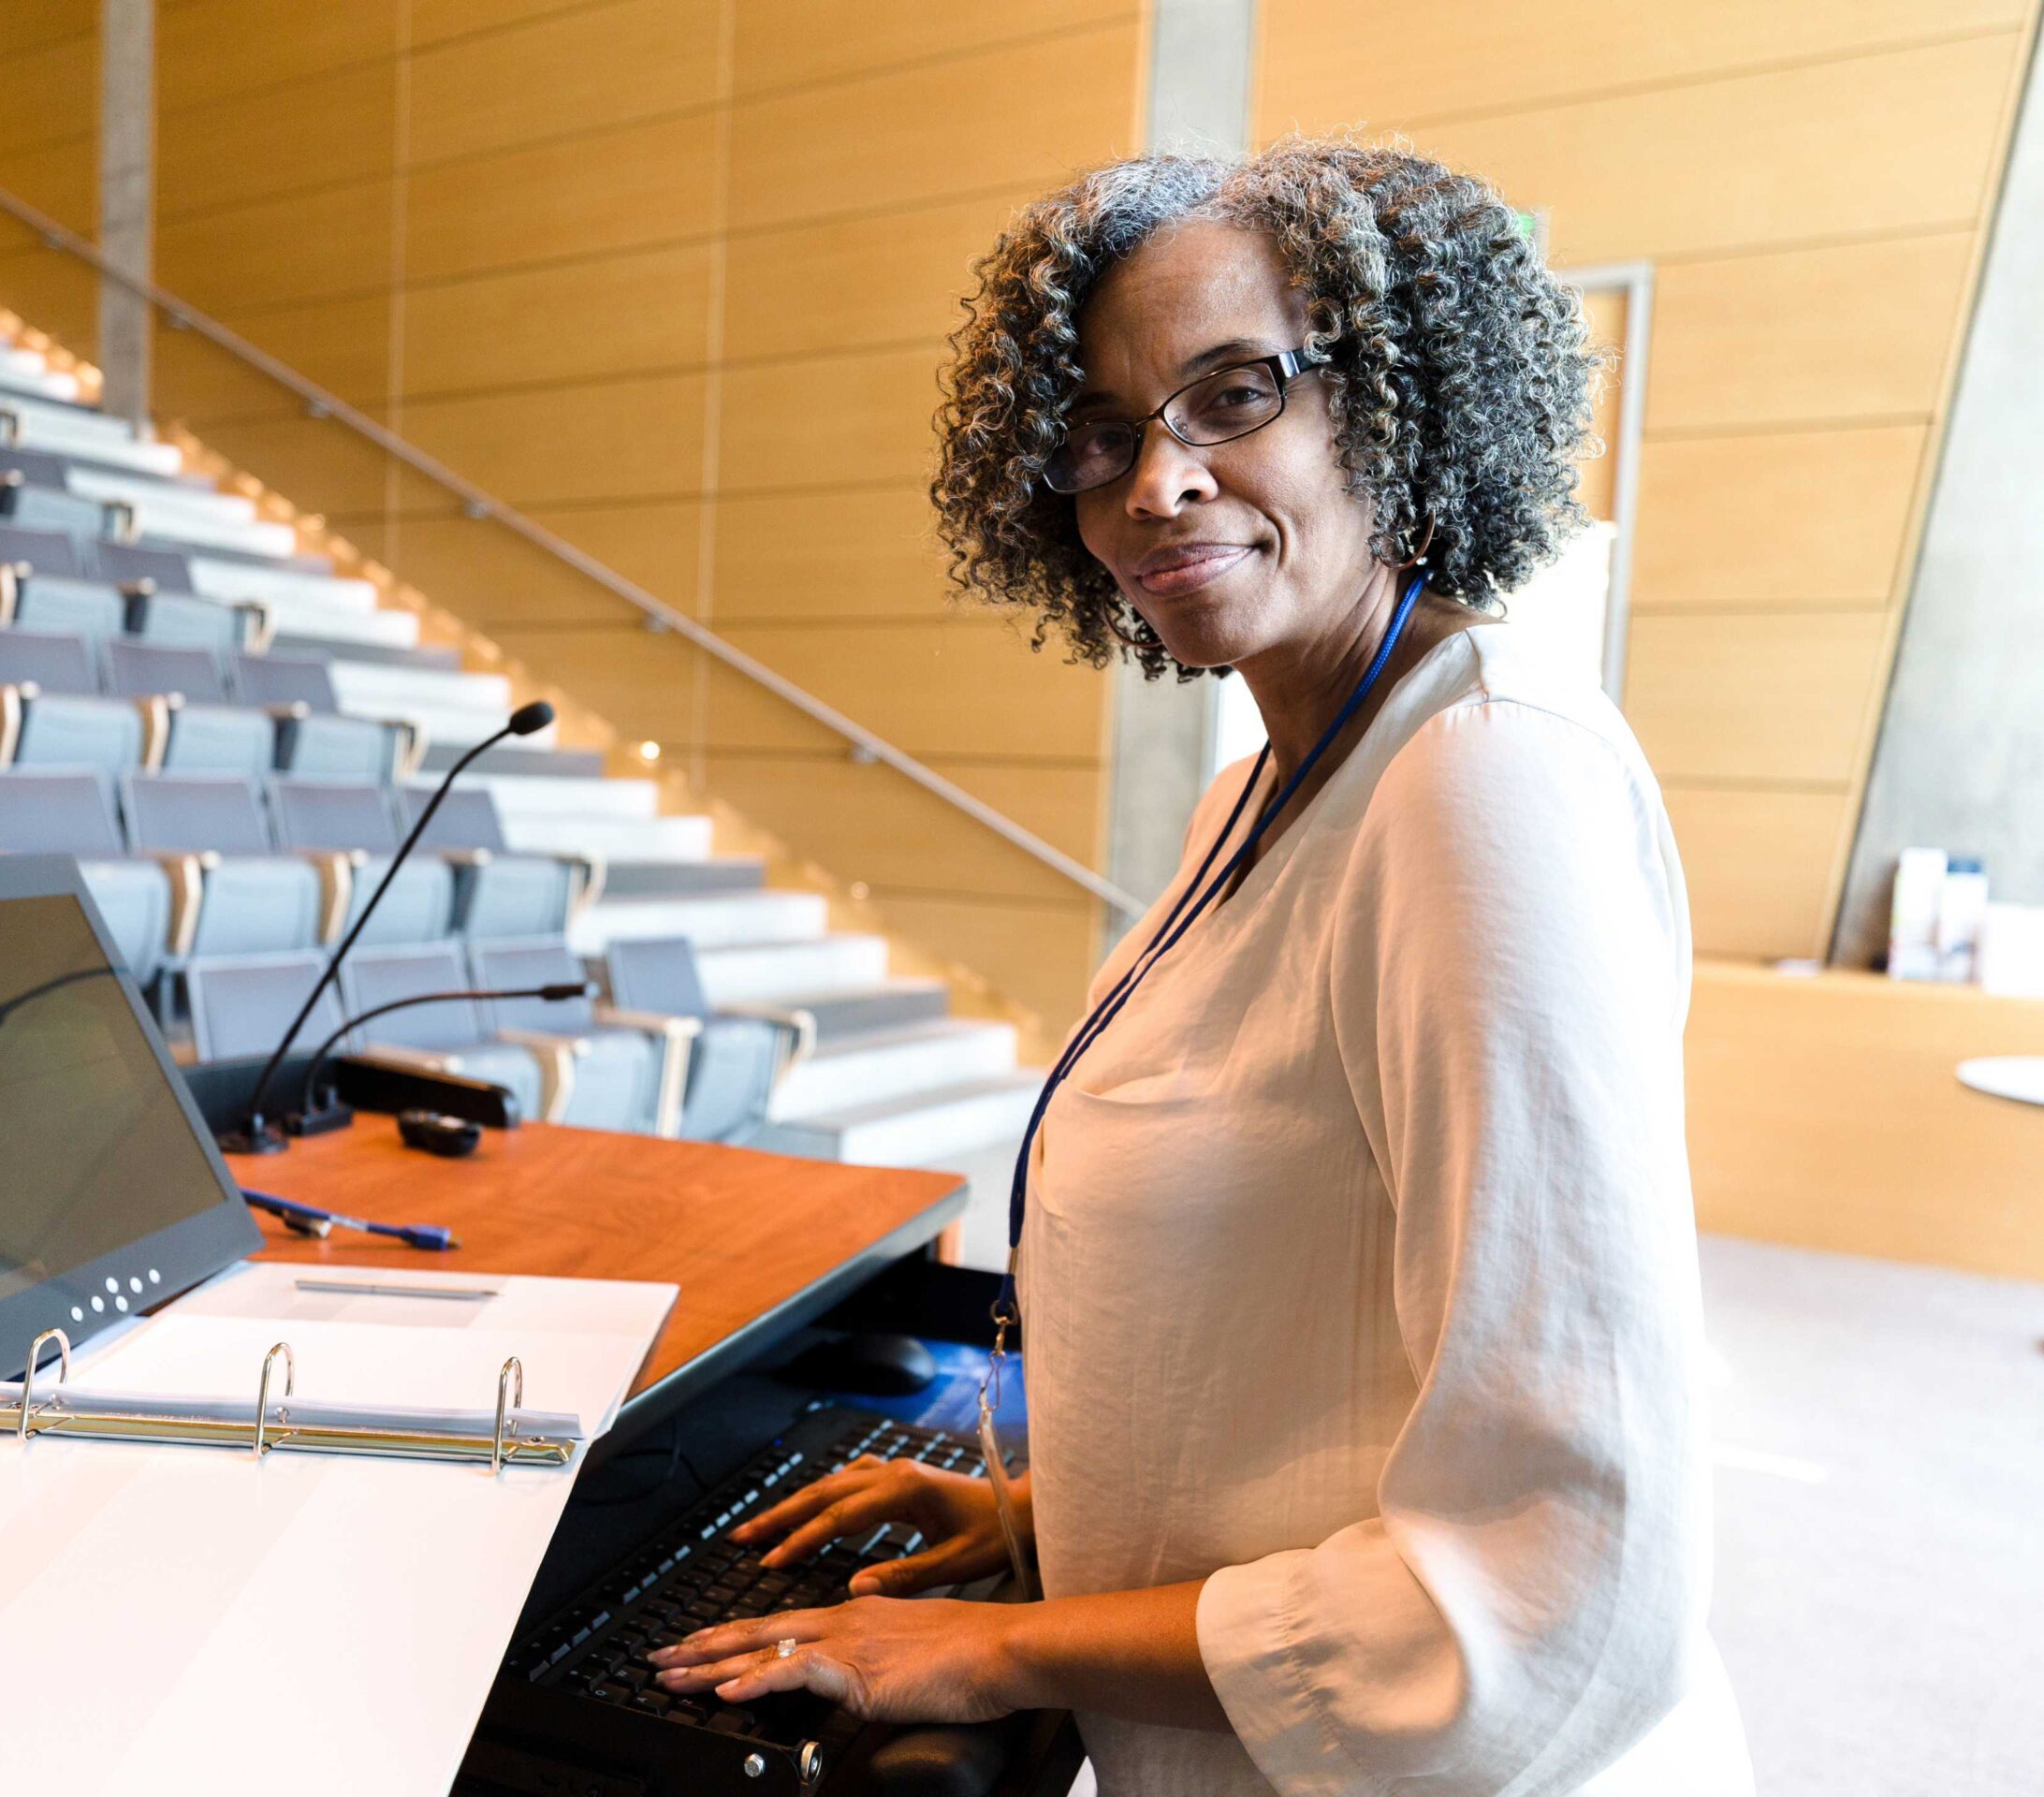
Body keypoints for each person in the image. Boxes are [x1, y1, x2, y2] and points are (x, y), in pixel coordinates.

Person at [652, 140, 1755, 1795]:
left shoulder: (1484, 780)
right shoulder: (1262, 788)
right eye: (1101, 435)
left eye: (1235, 394)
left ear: (1392, 407)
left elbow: (1559, 1566)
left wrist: (1001, 1645)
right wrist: (1045, 1526)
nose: (1155, 483)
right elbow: (1314, 1342)